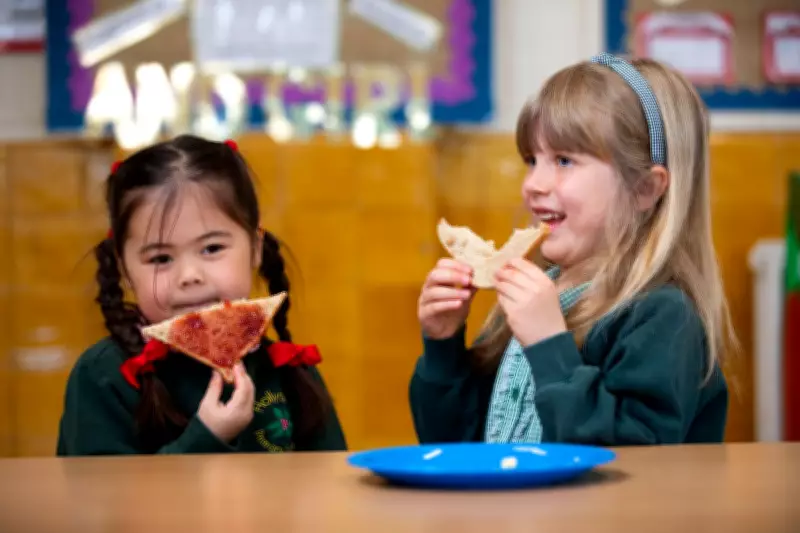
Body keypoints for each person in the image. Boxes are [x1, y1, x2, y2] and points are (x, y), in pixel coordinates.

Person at [410, 54, 735, 446]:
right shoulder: (534, 295)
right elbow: (455, 444)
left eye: (564, 161)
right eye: (532, 160)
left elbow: (633, 458)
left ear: (644, 189)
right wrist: (443, 346)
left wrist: (549, 346)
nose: (532, 184)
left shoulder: (663, 316)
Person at [57, 135, 346, 455]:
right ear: (124, 269)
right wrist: (207, 438)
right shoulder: (102, 377)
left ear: (255, 249)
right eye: (160, 258)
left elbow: (331, 479)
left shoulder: (292, 371)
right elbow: (100, 488)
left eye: (212, 248)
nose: (189, 275)